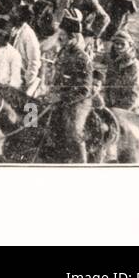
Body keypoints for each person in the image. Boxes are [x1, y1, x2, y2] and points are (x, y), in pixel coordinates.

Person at [54, 9, 95, 163]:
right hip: (59, 97)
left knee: (73, 131)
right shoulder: (63, 52)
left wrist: (61, 97)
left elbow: (84, 90)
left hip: (79, 102)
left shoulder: (82, 58)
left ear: (72, 38)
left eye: (62, 35)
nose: (59, 38)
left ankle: (81, 163)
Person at [104, 32, 139, 115]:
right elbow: (108, 85)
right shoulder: (114, 62)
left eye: (122, 44)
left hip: (129, 110)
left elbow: (133, 95)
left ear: (130, 45)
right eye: (116, 43)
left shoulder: (134, 67)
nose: (119, 46)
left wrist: (117, 111)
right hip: (112, 107)